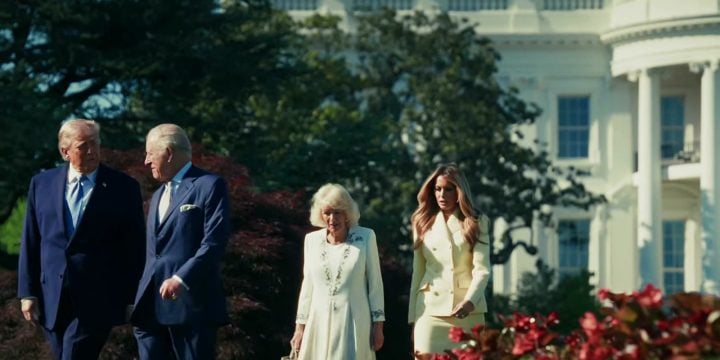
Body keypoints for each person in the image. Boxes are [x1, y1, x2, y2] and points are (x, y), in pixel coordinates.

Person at [17, 119, 145, 360]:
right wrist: (27, 292)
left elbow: (135, 248)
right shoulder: (41, 184)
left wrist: (131, 297)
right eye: (83, 146)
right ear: (65, 151)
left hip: (98, 298)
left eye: (95, 144)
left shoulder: (123, 187)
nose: (92, 151)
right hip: (51, 298)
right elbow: (31, 240)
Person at [130, 123, 230, 359]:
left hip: (191, 305)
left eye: (150, 153)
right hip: (149, 309)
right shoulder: (157, 196)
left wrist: (180, 278)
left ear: (169, 152)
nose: (146, 161)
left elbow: (214, 242)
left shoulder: (209, 185)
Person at [290, 183, 385, 359]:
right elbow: (307, 286)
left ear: (347, 213)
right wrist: (299, 328)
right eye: (327, 213)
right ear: (320, 214)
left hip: (354, 321)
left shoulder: (366, 237)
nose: (332, 218)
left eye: (337, 212)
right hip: (317, 323)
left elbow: (375, 283)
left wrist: (378, 326)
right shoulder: (311, 240)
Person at [408, 163, 491, 358]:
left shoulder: (477, 222)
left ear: (459, 191)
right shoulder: (421, 221)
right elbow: (417, 273)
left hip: (467, 312)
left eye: (448, 189)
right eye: (437, 189)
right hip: (428, 312)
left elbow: (482, 269)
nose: (441, 195)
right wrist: (413, 320)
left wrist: (470, 301)